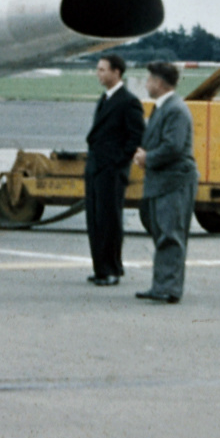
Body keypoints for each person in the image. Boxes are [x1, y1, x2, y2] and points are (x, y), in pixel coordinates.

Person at [133, 61, 199, 303]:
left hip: (174, 181)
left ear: (160, 83)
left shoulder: (175, 110)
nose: (146, 83)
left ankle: (168, 288)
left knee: (170, 233)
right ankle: (161, 285)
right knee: (162, 232)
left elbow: (173, 146)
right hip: (161, 180)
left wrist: (147, 157)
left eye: (149, 79)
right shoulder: (162, 107)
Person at [84, 54, 145, 286]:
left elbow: (136, 136)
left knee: (109, 220)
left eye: (102, 70)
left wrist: (117, 162)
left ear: (116, 72)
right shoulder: (106, 98)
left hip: (110, 170)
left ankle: (111, 269)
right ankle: (100, 268)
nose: (98, 73)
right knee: (95, 220)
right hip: (96, 168)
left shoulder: (128, 101)